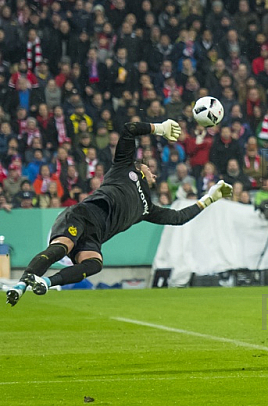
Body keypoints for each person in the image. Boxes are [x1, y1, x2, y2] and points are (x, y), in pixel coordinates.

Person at [6, 120, 232, 306]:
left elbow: (179, 218)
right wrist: (159, 129)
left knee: (94, 264)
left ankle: (46, 282)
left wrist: (209, 198)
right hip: (82, 215)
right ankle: (22, 283)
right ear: (139, 167)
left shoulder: (147, 209)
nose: (152, 171)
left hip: (95, 236)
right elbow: (128, 129)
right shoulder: (123, 167)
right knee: (60, 247)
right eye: (148, 166)